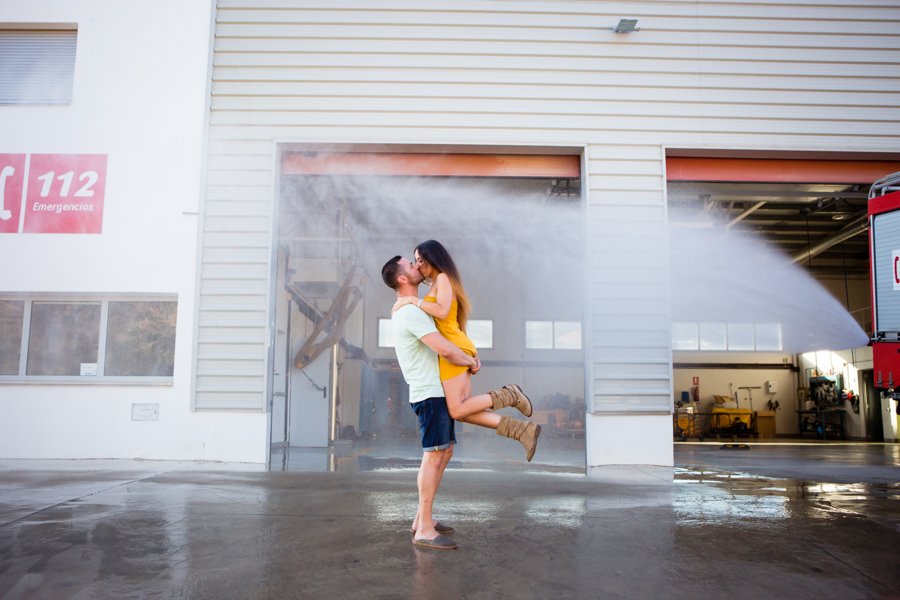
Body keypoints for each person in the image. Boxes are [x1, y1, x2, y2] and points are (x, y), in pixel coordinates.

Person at [381, 255, 540, 550]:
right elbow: (443, 348)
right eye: (411, 265)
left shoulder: (414, 307)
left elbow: (445, 323)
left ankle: (421, 518)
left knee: (445, 452)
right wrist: (470, 361)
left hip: (435, 391)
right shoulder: (409, 312)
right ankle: (424, 530)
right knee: (434, 455)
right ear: (402, 279)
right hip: (430, 392)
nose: (418, 266)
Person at [389, 241, 541, 461]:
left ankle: (511, 395)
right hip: (453, 346)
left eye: (421, 260)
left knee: (459, 410)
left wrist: (412, 300)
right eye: (416, 261)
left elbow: (442, 312)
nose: (418, 265)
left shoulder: (442, 278)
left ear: (433, 257)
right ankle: (521, 430)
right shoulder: (436, 283)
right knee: (460, 411)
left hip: (453, 347)